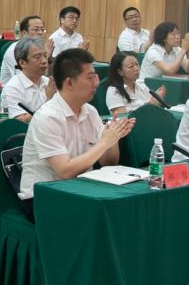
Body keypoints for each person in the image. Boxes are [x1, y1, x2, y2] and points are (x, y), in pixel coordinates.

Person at [18, 48, 133, 205]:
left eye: (96, 76)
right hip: (44, 199)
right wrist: (104, 143)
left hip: (81, 192)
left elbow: (109, 162)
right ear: (69, 83)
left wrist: (113, 137)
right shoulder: (47, 117)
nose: (96, 82)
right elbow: (65, 171)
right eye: (90, 78)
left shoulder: (90, 112)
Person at [1, 37, 52, 121]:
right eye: (38, 57)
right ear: (22, 63)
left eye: (45, 56)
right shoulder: (13, 88)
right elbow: (21, 121)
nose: (44, 61)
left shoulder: (48, 82)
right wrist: (48, 100)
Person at [102, 50, 155, 116]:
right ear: (120, 71)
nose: (136, 68)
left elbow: (153, 106)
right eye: (131, 66)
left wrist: (156, 99)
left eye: (137, 64)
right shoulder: (114, 91)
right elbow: (121, 116)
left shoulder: (141, 85)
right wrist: (150, 104)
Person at [0, 16, 46, 84]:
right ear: (24, 33)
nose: (40, 32)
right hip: (14, 88)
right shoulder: (13, 51)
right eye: (36, 29)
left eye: (42, 29)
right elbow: (22, 79)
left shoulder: (41, 48)